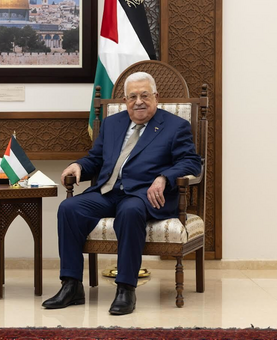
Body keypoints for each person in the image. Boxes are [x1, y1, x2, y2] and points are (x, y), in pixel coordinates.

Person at [42, 72, 201, 315]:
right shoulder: (112, 124)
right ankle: (71, 285)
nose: (139, 101)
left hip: (144, 196)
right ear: (125, 100)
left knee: (129, 211)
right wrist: (80, 166)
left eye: (144, 95)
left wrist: (163, 178)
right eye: (132, 96)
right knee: (69, 208)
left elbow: (191, 162)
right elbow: (95, 159)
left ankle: (126, 289)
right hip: (108, 192)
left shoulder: (175, 126)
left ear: (156, 97)